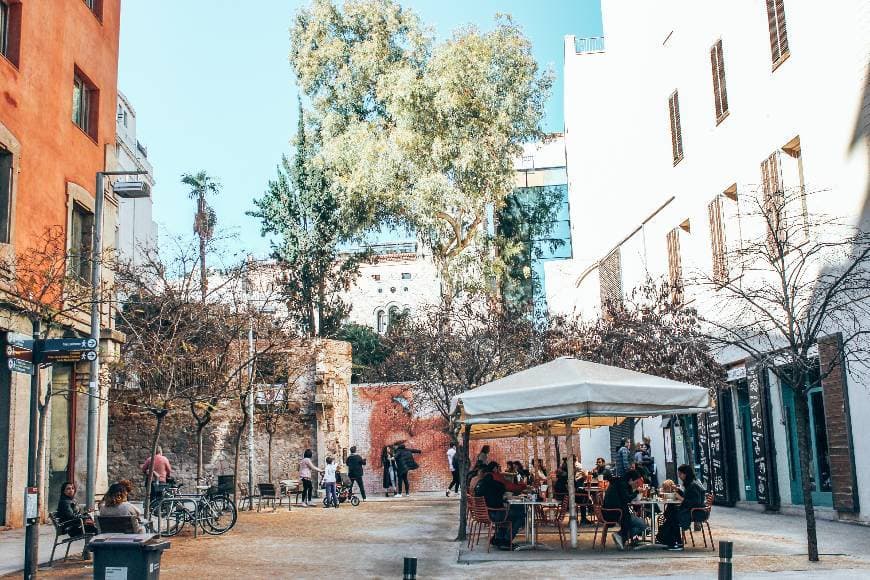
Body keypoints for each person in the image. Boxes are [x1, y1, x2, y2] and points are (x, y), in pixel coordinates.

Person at [473, 463, 526, 550]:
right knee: (520, 515)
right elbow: (503, 492)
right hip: (493, 514)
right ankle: (506, 541)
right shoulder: (497, 484)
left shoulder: (479, 484)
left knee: (506, 513)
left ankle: (498, 538)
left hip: (482, 514)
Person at [603, 469, 646, 550]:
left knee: (637, 524)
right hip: (615, 513)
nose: (637, 485)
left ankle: (621, 536)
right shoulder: (622, 484)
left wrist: (633, 490)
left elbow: (625, 498)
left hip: (610, 511)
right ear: (630, 480)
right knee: (642, 524)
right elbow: (626, 499)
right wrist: (636, 492)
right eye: (636, 482)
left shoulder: (619, 482)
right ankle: (621, 535)